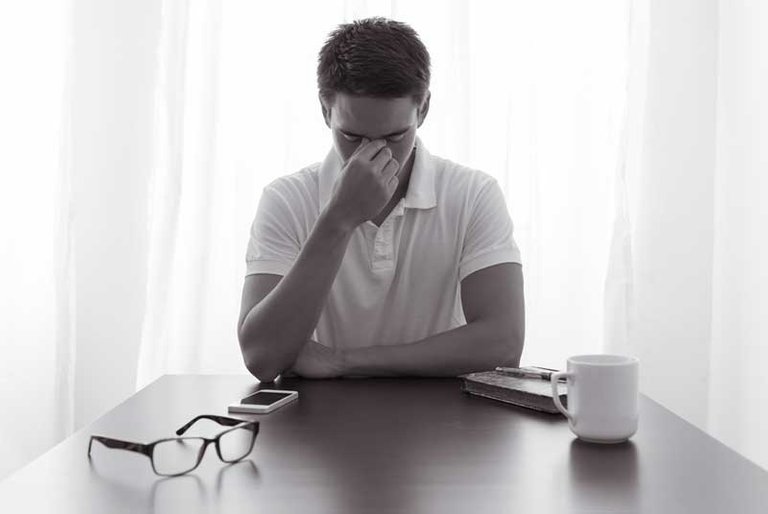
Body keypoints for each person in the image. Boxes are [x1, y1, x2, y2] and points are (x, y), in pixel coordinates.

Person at [237, 17, 524, 382]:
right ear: (326, 111)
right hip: (317, 420)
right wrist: (338, 219)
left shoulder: (473, 193)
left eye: (394, 136)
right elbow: (262, 357)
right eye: (352, 136)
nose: (372, 154)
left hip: (442, 421)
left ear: (423, 109)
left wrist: (344, 361)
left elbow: (504, 344)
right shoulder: (286, 199)